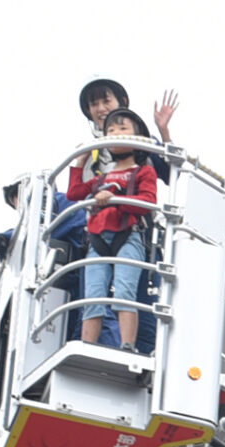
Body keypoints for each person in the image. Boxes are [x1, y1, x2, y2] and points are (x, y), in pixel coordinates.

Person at [67, 109, 159, 350]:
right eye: (111, 130)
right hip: (97, 240)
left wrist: (115, 198)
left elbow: (148, 201)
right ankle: (88, 345)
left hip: (128, 236)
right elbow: (74, 193)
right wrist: (81, 161)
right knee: (94, 296)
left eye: (122, 128)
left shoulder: (143, 171)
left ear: (136, 137)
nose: (115, 133)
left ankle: (127, 344)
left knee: (125, 293)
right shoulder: (100, 178)